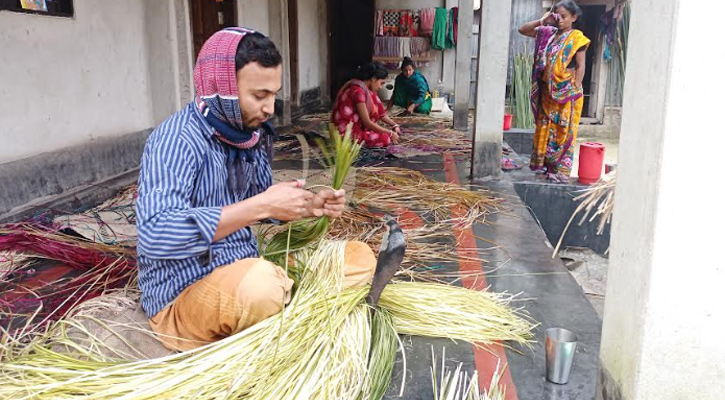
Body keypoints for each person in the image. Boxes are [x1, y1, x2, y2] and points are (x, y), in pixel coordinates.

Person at [135, 28, 376, 351]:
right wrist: (261, 206)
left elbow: (261, 200)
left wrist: (307, 205)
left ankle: (285, 314)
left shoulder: (249, 135)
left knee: (358, 258)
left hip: (244, 266)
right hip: (185, 291)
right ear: (224, 88)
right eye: (259, 96)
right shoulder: (176, 140)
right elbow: (156, 234)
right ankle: (292, 316)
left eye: (273, 94)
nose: (269, 108)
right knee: (263, 288)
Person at [519, 0, 590, 183]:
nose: (560, 21)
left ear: (574, 17)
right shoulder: (548, 34)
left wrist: (574, 89)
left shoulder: (577, 38)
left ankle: (558, 169)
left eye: (564, 17)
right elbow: (523, 30)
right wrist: (543, 20)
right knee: (544, 127)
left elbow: (581, 66)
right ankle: (543, 166)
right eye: (557, 16)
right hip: (546, 93)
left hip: (566, 94)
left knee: (562, 130)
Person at [331, 62, 401, 148]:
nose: (381, 87)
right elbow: (367, 122)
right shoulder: (357, 91)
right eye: (381, 83)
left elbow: (381, 114)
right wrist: (389, 133)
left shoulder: (367, 91)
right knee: (385, 139)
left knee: (374, 98)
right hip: (345, 133)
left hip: (356, 128)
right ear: (373, 79)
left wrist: (394, 125)